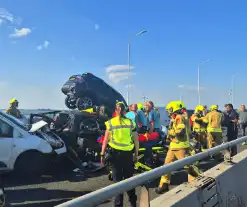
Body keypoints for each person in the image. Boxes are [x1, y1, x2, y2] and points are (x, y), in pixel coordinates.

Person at [155, 101, 200, 194]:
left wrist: (170, 132)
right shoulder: (180, 117)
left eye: (169, 110)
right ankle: (164, 185)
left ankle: (198, 180)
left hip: (180, 146)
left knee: (187, 166)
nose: (168, 112)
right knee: (167, 166)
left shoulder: (179, 117)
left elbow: (180, 131)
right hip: (174, 146)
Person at [100, 102, 139, 207]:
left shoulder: (110, 123)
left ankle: (118, 205)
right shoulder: (131, 123)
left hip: (115, 155)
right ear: (125, 111)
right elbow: (136, 140)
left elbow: (105, 141)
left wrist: (102, 154)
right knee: (129, 180)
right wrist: (136, 154)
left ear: (115, 111)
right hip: (127, 155)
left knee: (117, 182)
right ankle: (133, 203)